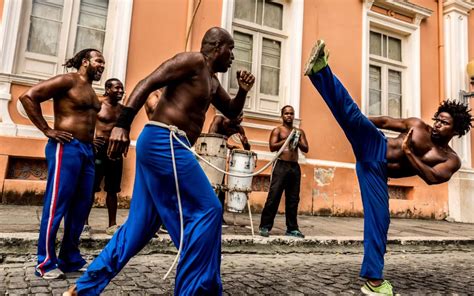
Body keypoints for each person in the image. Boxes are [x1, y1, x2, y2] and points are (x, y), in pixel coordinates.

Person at [64, 27, 255, 295]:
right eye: (231, 49)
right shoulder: (192, 61)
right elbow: (147, 82)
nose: (233, 56)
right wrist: (123, 124)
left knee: (139, 228)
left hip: (168, 145)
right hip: (164, 140)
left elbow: (232, 110)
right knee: (209, 209)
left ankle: (82, 289)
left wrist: (244, 91)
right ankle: (196, 291)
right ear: (216, 46)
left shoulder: (212, 81)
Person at [304, 40, 473, 295]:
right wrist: (358, 122)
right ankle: (320, 70)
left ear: (456, 130)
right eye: (438, 119)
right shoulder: (417, 125)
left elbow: (430, 178)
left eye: (445, 123)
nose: (437, 124)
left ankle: (373, 282)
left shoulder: (450, 159)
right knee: (351, 114)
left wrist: (408, 153)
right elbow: (384, 120)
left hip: (377, 172)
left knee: (379, 222)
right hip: (375, 146)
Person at [19, 49, 105, 280]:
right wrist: (47, 130)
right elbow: (28, 96)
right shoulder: (68, 80)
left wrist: (91, 139)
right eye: (99, 61)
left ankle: (70, 259)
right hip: (66, 148)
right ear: (85, 62)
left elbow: (86, 117)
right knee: (57, 205)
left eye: (104, 63)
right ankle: (45, 262)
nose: (102, 66)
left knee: (81, 207)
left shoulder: (91, 90)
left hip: (86, 151)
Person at [82, 78, 125, 237]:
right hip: (98, 151)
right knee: (90, 189)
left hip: (115, 153)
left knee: (113, 190)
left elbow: (124, 129)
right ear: (107, 89)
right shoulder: (97, 104)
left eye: (122, 89)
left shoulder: (122, 109)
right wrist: (90, 140)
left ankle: (112, 225)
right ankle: (84, 223)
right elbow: (85, 122)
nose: (120, 91)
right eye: (117, 88)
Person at [259, 105, 309, 238]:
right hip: (281, 165)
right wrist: (286, 140)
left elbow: (306, 148)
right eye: (286, 113)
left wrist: (296, 140)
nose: (289, 116)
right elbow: (272, 147)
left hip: (294, 167)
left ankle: (292, 228)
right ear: (282, 116)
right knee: (274, 196)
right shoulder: (278, 130)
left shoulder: (299, 132)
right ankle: (265, 226)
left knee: (293, 199)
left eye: (291, 114)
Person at [208, 112, 251, 225]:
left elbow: (247, 149)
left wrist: (246, 143)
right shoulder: (219, 120)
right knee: (210, 186)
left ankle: (219, 217)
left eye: (242, 116)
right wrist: (228, 145)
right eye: (238, 115)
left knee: (221, 188)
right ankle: (207, 215)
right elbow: (212, 137)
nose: (241, 118)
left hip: (221, 157)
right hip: (210, 156)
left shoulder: (238, 128)